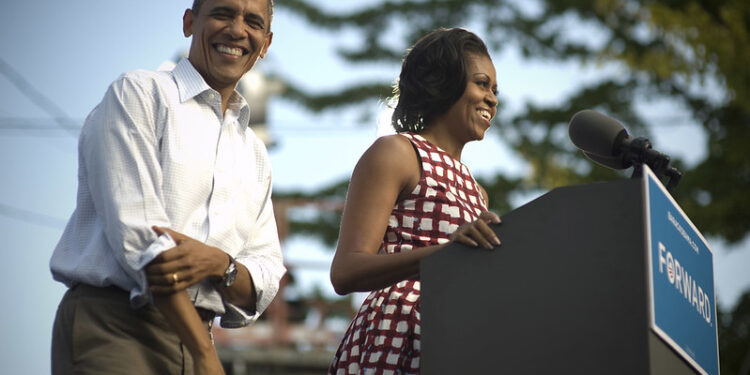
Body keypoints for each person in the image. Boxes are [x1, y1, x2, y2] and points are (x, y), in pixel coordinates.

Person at [49, 1, 284, 374]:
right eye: (223, 14)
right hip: (117, 325)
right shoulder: (140, 94)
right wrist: (206, 356)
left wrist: (219, 264)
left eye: (253, 22)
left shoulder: (253, 152)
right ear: (189, 22)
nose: (238, 30)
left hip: (198, 338)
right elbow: (145, 242)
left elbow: (266, 275)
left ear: (266, 43)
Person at [328, 28, 502, 374]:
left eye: (495, 90)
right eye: (482, 84)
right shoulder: (397, 152)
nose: (492, 99)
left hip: (454, 339)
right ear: (444, 83)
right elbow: (345, 271)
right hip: (398, 334)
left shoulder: (478, 193)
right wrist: (444, 255)